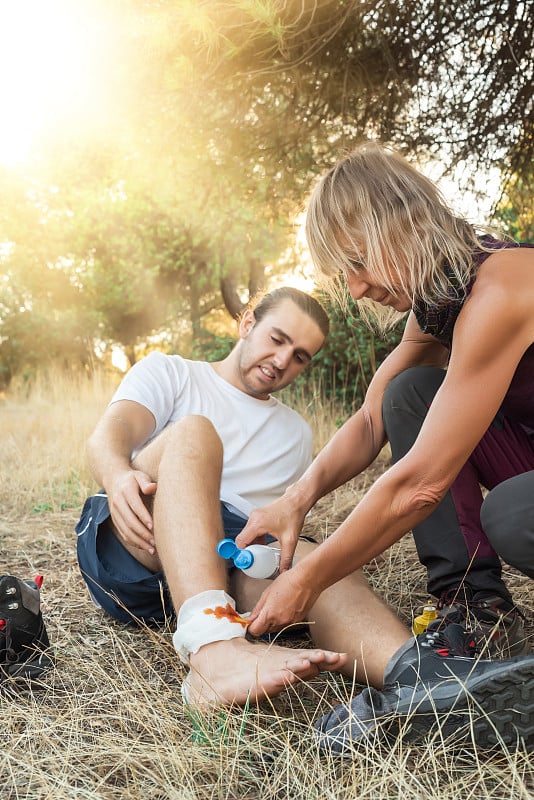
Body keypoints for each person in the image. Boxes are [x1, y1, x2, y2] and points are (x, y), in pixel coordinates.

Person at [235, 144, 534, 752]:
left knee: (515, 514)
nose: (356, 287)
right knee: (408, 391)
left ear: (402, 222)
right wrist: (297, 500)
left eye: (357, 261)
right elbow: (372, 419)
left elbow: (420, 483)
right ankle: (481, 615)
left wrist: (308, 580)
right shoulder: (439, 303)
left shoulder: (504, 286)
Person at [75, 287, 412, 707]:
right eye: (277, 339)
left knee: (322, 564)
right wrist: (117, 475)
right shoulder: (173, 372)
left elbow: (265, 529)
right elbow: (109, 435)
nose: (282, 361)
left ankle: (424, 681)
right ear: (247, 323)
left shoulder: (295, 434)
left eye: (300, 356)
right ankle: (214, 652)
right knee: (195, 432)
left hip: (226, 559)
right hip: (143, 531)